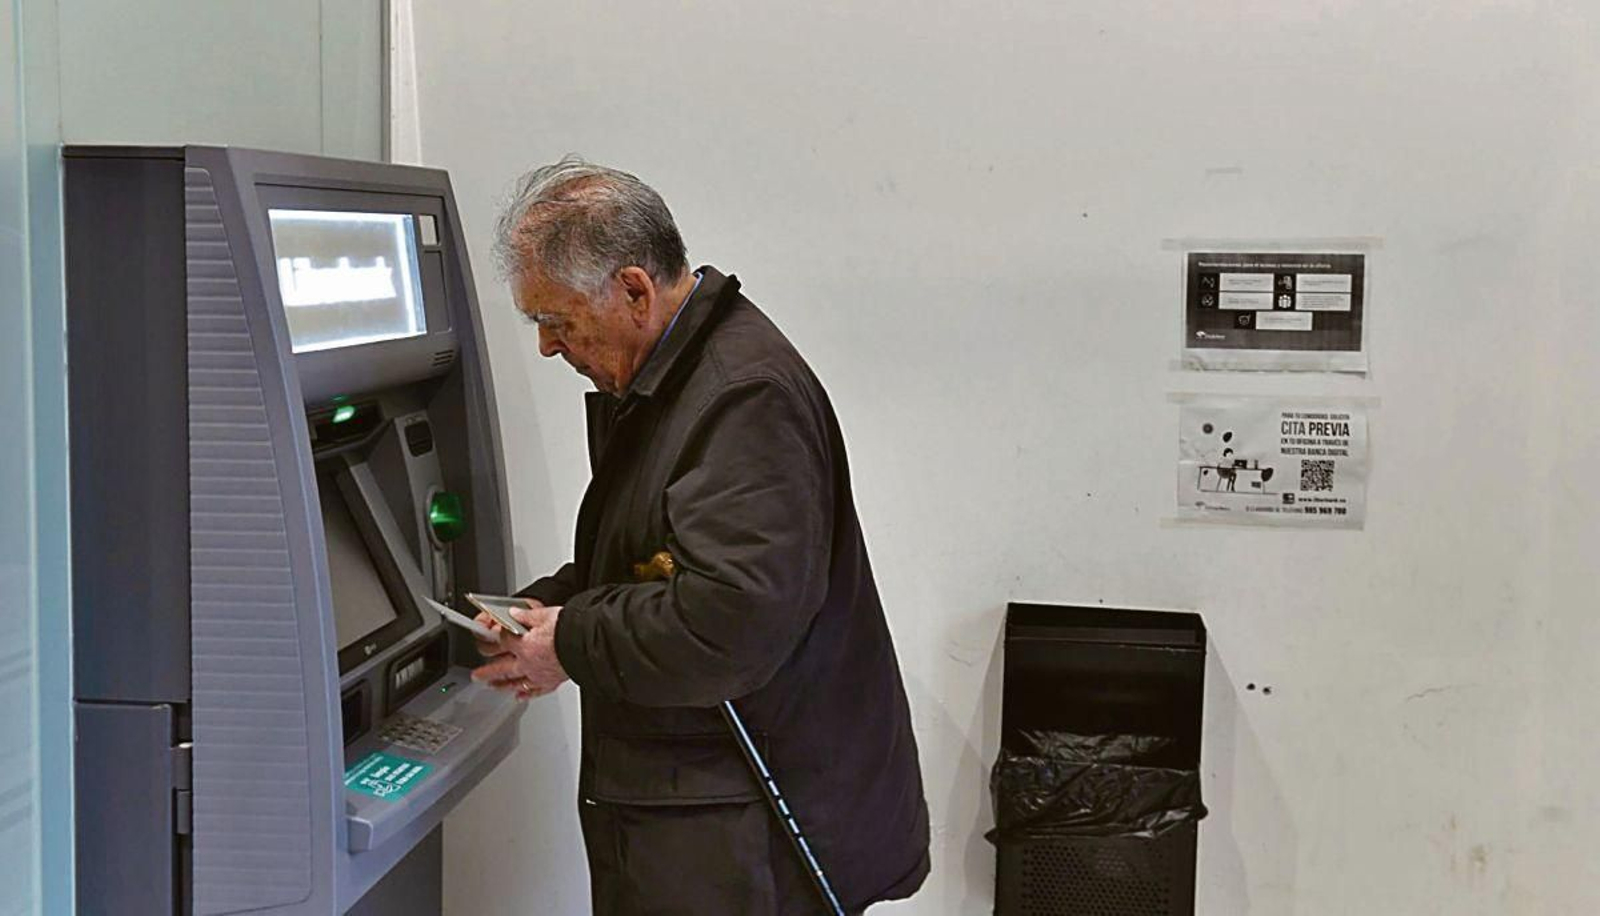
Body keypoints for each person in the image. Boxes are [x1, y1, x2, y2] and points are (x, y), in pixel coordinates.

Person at [469, 157, 930, 915]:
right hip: (718, 809)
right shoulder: (675, 380)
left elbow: (735, 617)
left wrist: (573, 641)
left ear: (634, 290)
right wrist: (549, 607)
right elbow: (653, 559)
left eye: (557, 320)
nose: (551, 347)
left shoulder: (741, 397)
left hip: (755, 829)